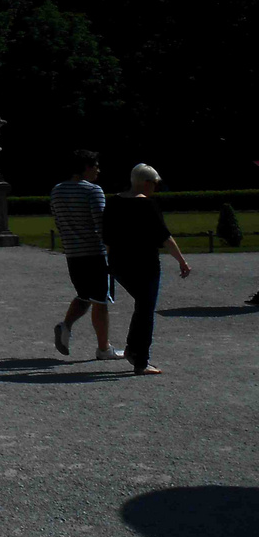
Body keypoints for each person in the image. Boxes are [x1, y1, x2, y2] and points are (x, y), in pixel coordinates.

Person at [103, 163, 192, 375]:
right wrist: (181, 260)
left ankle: (133, 350)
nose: (155, 187)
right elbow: (165, 238)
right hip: (145, 264)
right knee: (146, 311)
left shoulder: (113, 202)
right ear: (146, 183)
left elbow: (106, 237)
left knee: (142, 307)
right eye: (155, 183)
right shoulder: (147, 205)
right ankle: (140, 360)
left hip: (119, 264)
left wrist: (108, 263)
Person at [50, 150, 124, 360]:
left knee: (84, 295)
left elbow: (58, 222)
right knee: (101, 301)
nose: (99, 170)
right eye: (96, 166)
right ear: (86, 167)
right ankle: (103, 349)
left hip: (73, 254)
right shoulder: (93, 191)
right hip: (95, 253)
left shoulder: (57, 191)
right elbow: (103, 225)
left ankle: (66, 326)